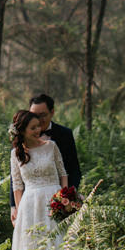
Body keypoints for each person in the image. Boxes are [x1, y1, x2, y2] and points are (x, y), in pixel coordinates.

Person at [10, 94, 81, 226]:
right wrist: (14, 207)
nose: (37, 120)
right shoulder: (19, 145)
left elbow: (72, 169)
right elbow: (15, 179)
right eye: (33, 115)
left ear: (52, 112)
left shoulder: (64, 135)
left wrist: (67, 199)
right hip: (30, 202)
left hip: (56, 199)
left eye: (42, 115)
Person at [9, 110, 68, 250]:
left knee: (57, 241)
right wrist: (19, 212)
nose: (38, 130)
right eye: (33, 128)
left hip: (54, 199)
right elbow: (17, 185)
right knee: (33, 243)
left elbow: (63, 173)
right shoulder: (15, 154)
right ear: (22, 131)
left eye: (38, 126)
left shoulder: (51, 146)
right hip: (30, 204)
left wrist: (65, 197)